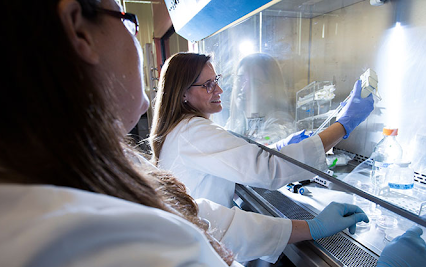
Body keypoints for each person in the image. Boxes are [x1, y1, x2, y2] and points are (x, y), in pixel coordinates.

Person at [0, 0, 426, 267]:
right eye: (126, 18)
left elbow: (201, 216)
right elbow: (264, 171)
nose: (218, 91)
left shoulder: (73, 178)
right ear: (79, 30)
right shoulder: (90, 242)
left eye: (220, 82)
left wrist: (305, 228)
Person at [151, 52, 374, 208]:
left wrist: (278, 147)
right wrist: (344, 125)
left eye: (216, 80)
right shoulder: (194, 133)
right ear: (183, 94)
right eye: (208, 84)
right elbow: (267, 170)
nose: (219, 89)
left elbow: (238, 158)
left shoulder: (186, 130)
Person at [225, 52, 296, 143]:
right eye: (240, 79)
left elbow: (265, 143)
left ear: (273, 88)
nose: (244, 88)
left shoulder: (280, 124)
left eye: (255, 83)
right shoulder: (237, 121)